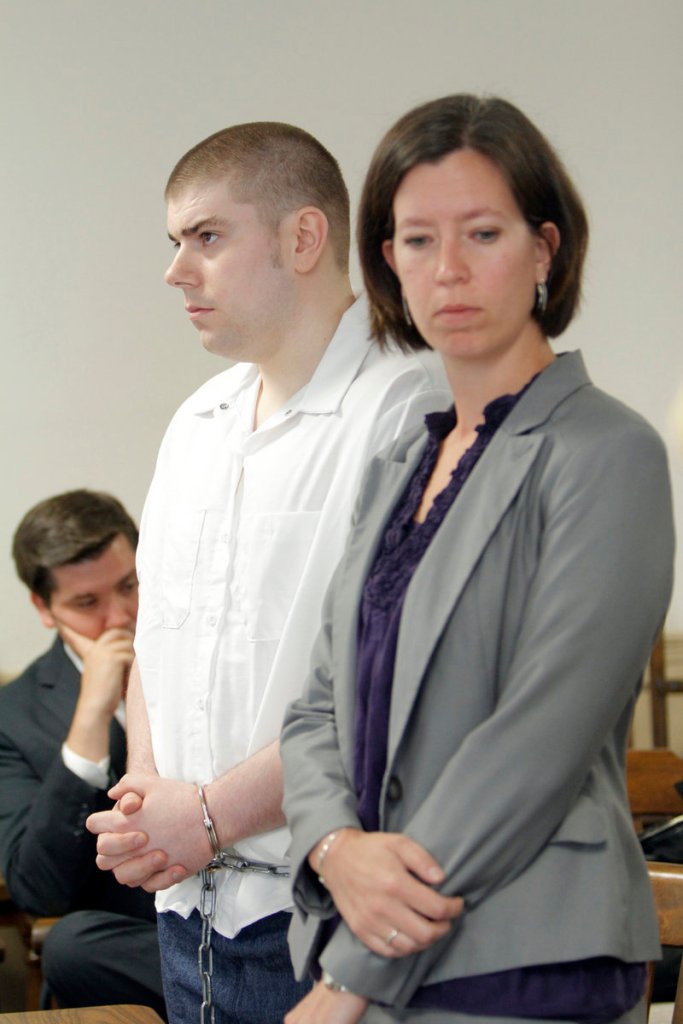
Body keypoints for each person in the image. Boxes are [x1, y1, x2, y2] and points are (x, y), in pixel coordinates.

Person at [279, 94, 675, 1024]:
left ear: (544, 249)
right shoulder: (396, 464)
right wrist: (335, 847)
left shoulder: (606, 451)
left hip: (525, 958)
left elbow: (539, 738)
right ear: (387, 262)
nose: (448, 270)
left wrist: (352, 976)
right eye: (416, 241)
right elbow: (312, 711)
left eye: (482, 233)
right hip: (366, 934)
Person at [85, 121, 450, 1024]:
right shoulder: (196, 419)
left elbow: (391, 679)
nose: (177, 270)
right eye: (175, 243)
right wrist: (149, 804)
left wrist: (206, 815)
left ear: (302, 236)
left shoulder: (410, 406)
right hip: (188, 911)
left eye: (206, 236)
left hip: (324, 922)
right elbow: (155, 644)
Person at [0, 490, 165, 1016]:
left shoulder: (211, 658)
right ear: (44, 608)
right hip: (140, 935)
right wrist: (91, 718)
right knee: (72, 948)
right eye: (87, 603)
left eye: (129, 586)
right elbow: (39, 891)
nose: (121, 617)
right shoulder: (14, 715)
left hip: (249, 904)